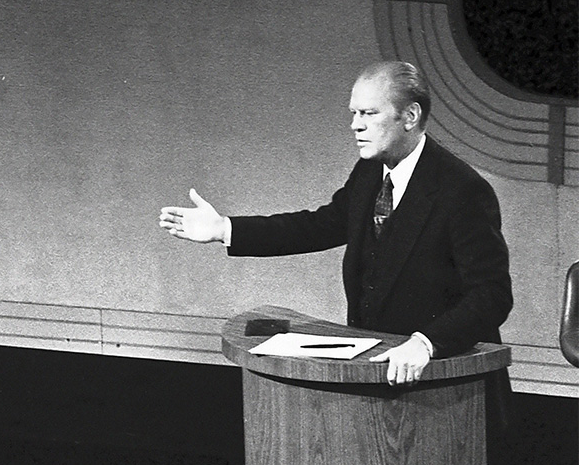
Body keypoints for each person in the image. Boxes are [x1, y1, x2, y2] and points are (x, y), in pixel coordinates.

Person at [159, 61, 512, 388]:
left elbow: (492, 295)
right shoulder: (370, 171)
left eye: (369, 114)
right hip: (376, 374)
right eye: (354, 113)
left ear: (410, 116)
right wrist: (226, 229)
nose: (355, 125)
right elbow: (321, 225)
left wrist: (426, 343)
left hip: (450, 385)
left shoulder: (462, 189)